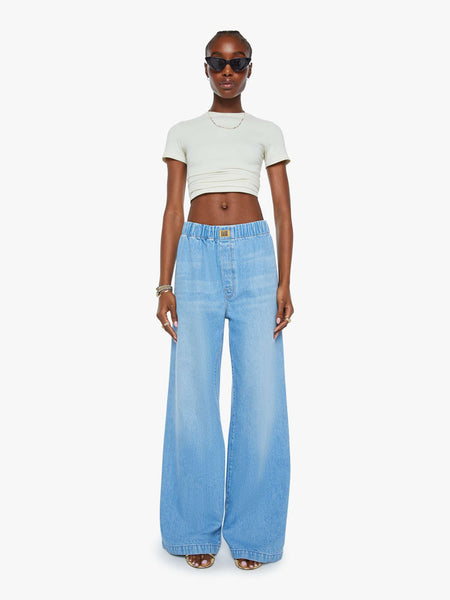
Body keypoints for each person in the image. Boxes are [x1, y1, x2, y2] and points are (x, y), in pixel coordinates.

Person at [157, 30, 294, 570]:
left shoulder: (268, 131)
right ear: (206, 68)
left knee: (261, 395)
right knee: (192, 393)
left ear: (250, 68)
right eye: (218, 62)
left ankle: (255, 533)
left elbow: (283, 211)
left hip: (257, 257)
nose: (227, 72)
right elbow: (173, 209)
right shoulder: (183, 131)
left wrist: (285, 282)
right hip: (195, 258)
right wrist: (164, 284)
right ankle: (194, 527)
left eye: (237, 63)